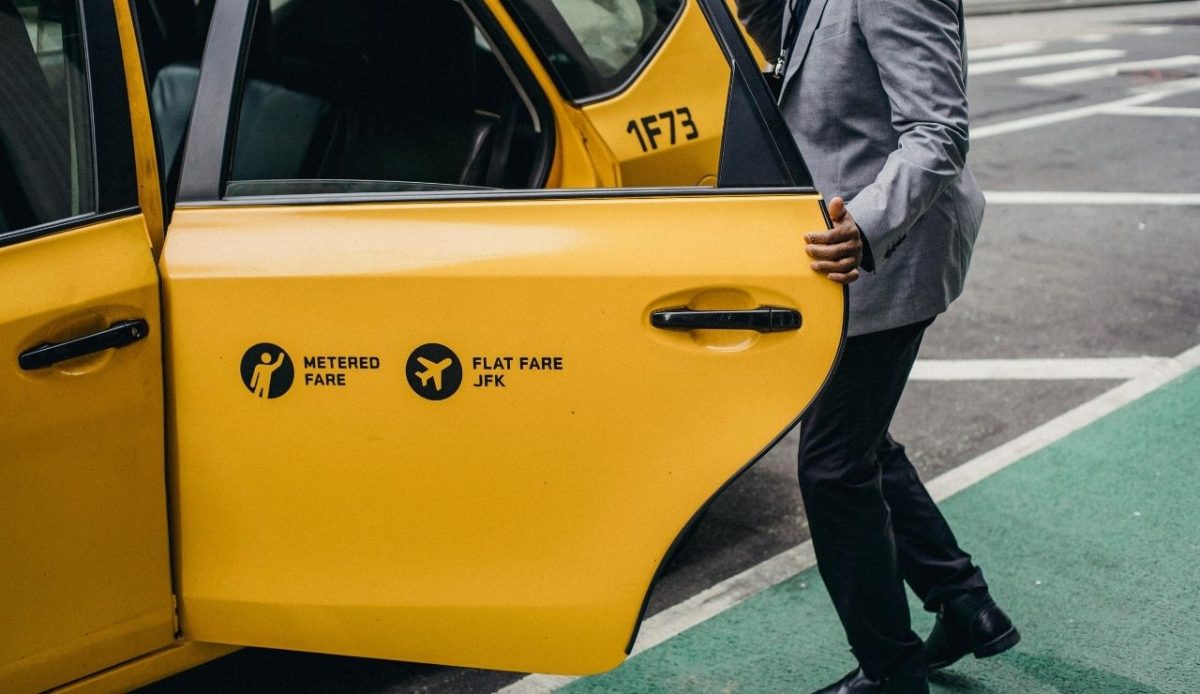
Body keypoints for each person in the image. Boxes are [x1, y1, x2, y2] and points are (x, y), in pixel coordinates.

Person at [734, 0, 1020, 691]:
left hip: (890, 248)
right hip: (845, 250)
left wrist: (863, 228)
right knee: (856, 438)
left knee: (833, 466)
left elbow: (938, 132)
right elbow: (784, 50)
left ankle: (893, 672)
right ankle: (964, 601)